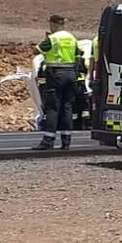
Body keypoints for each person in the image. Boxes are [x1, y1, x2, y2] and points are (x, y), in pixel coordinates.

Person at [35, 14, 82, 151]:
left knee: (53, 107)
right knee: (67, 107)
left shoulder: (53, 38)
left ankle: (48, 141)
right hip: (71, 74)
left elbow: (36, 50)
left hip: (56, 75)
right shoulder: (71, 38)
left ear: (53, 24)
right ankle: (66, 142)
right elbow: (78, 54)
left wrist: (46, 40)